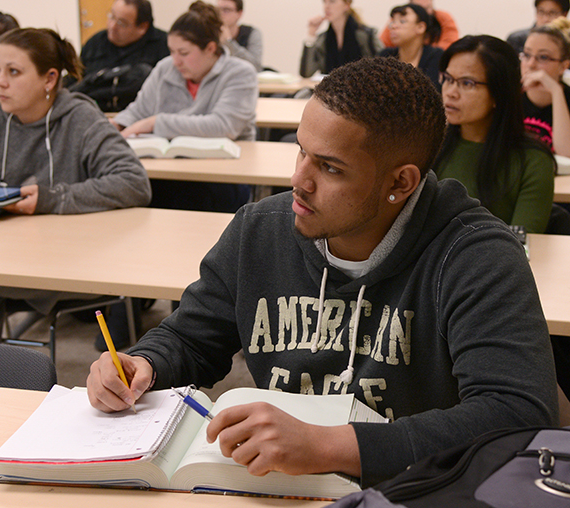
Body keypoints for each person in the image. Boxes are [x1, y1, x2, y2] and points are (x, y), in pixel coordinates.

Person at [87, 57, 558, 488]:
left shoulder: (476, 256)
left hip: (418, 491)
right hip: (281, 486)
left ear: (401, 182)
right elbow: (191, 339)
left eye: (330, 168)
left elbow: (514, 415)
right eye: (300, 152)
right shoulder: (261, 229)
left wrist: (328, 445)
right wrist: (142, 364)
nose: (299, 180)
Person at [0, 28, 152, 343]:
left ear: (49, 79)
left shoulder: (81, 120)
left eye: (14, 72)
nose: (0, 82)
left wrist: (52, 198)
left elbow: (134, 182)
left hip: (62, 260)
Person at [113, 0, 257, 213]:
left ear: (210, 48)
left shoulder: (240, 73)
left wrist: (156, 123)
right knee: (135, 192)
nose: (175, 60)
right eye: (171, 51)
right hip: (168, 170)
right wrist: (116, 124)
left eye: (184, 53)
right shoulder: (165, 68)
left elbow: (223, 126)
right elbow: (139, 110)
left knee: (190, 199)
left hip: (221, 175)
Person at [434, 35, 555, 234]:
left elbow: (520, 245)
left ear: (499, 92)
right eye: (448, 79)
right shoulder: (430, 146)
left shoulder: (533, 161)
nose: (451, 92)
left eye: (467, 83)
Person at [79, 0, 168, 77]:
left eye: (121, 23)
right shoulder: (95, 42)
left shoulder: (164, 46)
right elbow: (75, 78)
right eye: (112, 16)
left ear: (142, 27)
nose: (112, 26)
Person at [520, 24, 570, 157]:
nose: (531, 64)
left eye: (543, 57)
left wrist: (556, 91)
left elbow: (566, 154)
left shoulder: (565, 96)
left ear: (563, 66)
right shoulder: (508, 95)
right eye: (526, 55)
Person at [300, 0, 381, 78]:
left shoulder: (366, 35)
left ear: (347, 5)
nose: (326, 7)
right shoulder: (323, 39)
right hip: (330, 90)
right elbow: (306, 73)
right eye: (325, 1)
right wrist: (311, 34)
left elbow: (383, 67)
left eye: (332, 1)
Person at [378, 3, 443, 89]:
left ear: (420, 27)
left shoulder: (435, 56)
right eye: (393, 21)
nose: (393, 26)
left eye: (402, 21)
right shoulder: (385, 55)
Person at [380, 0, 459, 50]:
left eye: (427, 8)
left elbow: (450, 46)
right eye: (419, 9)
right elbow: (383, 44)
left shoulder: (442, 18)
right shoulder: (396, 21)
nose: (394, 26)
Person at [217, 0, 263, 71]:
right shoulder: (210, 33)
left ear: (239, 14)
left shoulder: (251, 33)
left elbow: (256, 66)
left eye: (226, 10)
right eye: (218, 9)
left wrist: (229, 42)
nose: (221, 14)